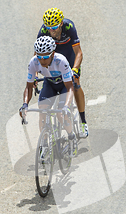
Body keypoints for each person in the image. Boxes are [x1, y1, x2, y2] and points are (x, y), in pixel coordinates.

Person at [38, 8, 88, 138]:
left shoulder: (69, 27)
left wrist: (75, 70)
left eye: (54, 26)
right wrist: (36, 75)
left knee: (75, 84)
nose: (51, 30)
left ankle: (83, 122)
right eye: (48, 27)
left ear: (60, 24)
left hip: (69, 57)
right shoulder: (44, 31)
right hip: (54, 58)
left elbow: (78, 53)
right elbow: (38, 54)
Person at [20, 36, 75, 141]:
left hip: (64, 85)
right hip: (49, 84)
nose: (41, 60)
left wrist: (66, 106)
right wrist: (25, 104)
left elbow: (70, 88)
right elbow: (29, 87)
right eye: (39, 57)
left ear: (53, 54)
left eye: (45, 57)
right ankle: (44, 144)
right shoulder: (33, 62)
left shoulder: (61, 61)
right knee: (42, 111)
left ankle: (71, 135)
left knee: (60, 113)